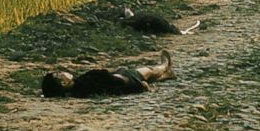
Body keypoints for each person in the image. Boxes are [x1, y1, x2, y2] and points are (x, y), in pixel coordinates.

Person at [42, 50, 174, 98]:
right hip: (127, 79)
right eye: (60, 74)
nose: (63, 72)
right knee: (149, 71)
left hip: (119, 75)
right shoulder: (87, 86)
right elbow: (113, 90)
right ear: (64, 83)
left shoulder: (79, 86)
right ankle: (164, 65)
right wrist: (139, 87)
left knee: (147, 75)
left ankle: (167, 75)